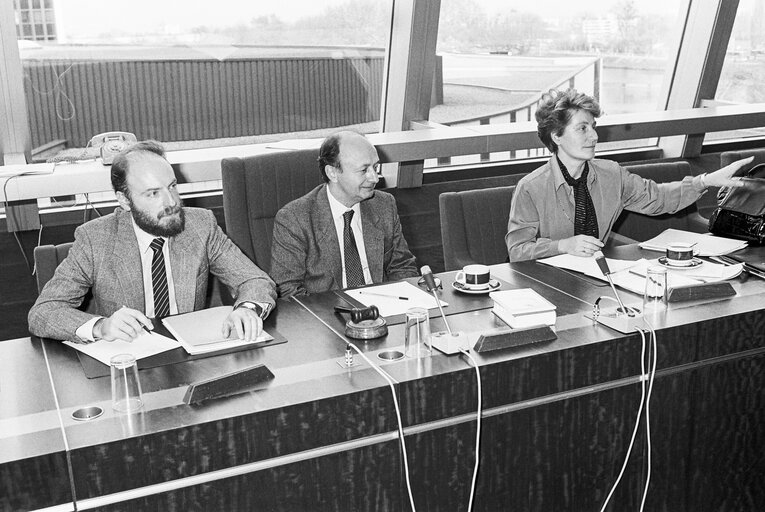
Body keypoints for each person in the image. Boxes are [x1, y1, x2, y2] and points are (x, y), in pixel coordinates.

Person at [28, 141, 276, 344]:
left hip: (190, 356)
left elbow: (255, 280)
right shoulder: (95, 239)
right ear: (124, 201)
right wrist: (101, 327)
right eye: (153, 193)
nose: (171, 202)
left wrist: (248, 308)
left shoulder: (200, 225)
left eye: (172, 187)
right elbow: (43, 313)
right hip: (130, 361)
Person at [505, 88, 753, 262]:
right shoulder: (530, 187)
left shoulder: (611, 174)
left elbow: (658, 198)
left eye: (593, 127)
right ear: (556, 136)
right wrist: (562, 246)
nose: (594, 136)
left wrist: (706, 181)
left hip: (595, 275)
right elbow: (517, 250)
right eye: (582, 128)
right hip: (544, 280)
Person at [270, 130, 418, 297]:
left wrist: (404, 302)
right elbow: (288, 291)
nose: (375, 178)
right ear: (332, 173)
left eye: (375, 167)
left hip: (382, 309)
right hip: (328, 315)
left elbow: (402, 266)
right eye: (364, 170)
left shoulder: (384, 204)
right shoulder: (294, 219)